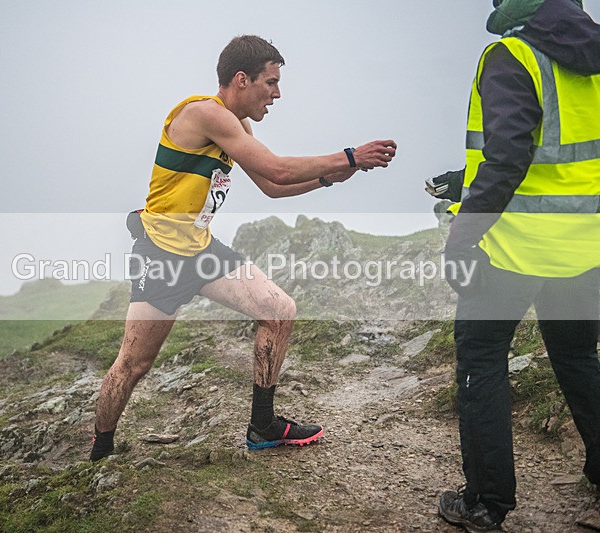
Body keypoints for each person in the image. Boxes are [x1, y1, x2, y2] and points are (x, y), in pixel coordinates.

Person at [90, 35, 397, 461]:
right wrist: (347, 156)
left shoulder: (238, 126)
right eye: (270, 82)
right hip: (161, 256)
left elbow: (272, 186)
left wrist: (330, 177)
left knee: (279, 310)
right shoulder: (202, 114)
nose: (277, 93)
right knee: (133, 365)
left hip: (201, 250)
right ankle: (100, 451)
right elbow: (275, 167)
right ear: (241, 79)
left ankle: (263, 425)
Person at [432, 0, 600, 530]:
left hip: (516, 246)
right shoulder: (598, 60)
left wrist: (462, 234)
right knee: (576, 358)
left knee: (481, 357)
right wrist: (465, 178)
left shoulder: (510, 55)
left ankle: (487, 501)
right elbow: (562, 153)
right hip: (581, 243)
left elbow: (509, 155)